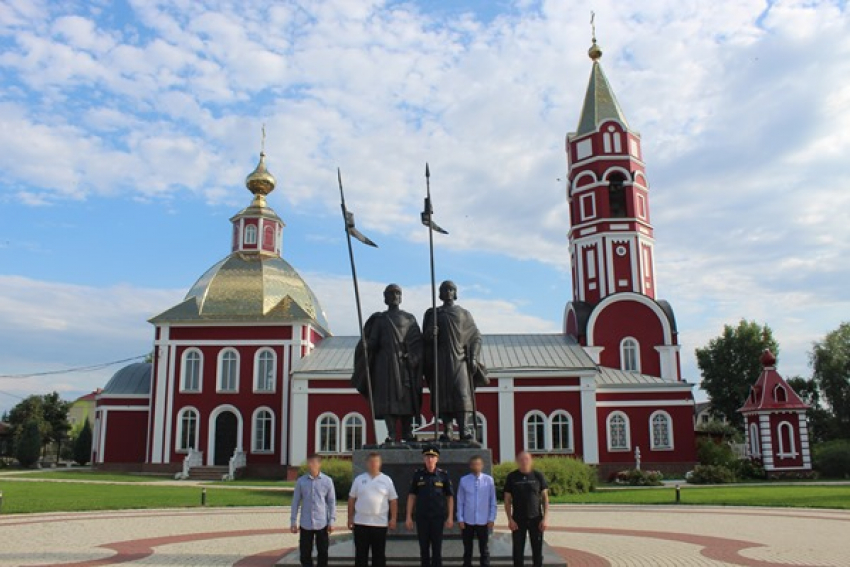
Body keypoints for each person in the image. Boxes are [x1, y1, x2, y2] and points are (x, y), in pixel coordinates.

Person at [352, 284, 423, 442]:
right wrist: (366, 345)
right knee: (388, 400)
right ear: (385, 298)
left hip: (404, 364)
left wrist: (413, 357)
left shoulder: (409, 319)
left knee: (406, 399)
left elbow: (418, 342)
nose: (394, 296)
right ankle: (391, 433)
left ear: (401, 297)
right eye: (390, 294)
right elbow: (374, 342)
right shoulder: (380, 319)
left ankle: (407, 432)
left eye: (397, 293)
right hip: (384, 365)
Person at [423, 280, 485, 442]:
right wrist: (431, 333)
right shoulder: (433, 314)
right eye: (444, 289)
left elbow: (475, 336)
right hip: (440, 361)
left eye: (451, 289)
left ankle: (464, 429)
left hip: (459, 360)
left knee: (461, 393)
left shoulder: (463, 314)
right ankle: (448, 429)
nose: (447, 292)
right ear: (440, 293)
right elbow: (424, 340)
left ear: (455, 293)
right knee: (442, 394)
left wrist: (473, 357)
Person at [405, 446, 454, 567]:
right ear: (424, 459)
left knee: (437, 549)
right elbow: (412, 496)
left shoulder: (443, 475)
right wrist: (408, 517)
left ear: (437, 459)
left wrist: (450, 517)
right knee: (424, 549)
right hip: (422, 518)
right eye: (427, 457)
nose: (430, 460)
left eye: (432, 457)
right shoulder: (418, 475)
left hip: (438, 518)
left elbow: (449, 497)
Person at [348, 452, 398, 567]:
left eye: (376, 462)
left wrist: (393, 518)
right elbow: (351, 499)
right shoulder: (359, 479)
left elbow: (393, 500)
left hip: (379, 524)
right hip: (361, 523)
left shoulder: (387, 480)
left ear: (380, 464)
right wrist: (350, 518)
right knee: (361, 556)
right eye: (371, 462)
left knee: (379, 556)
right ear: (366, 463)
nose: (373, 464)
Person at [503, 452, 549, 567]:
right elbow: (507, 500)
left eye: (527, 459)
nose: (524, 461)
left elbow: (545, 499)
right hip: (518, 520)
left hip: (536, 519)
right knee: (518, 552)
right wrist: (510, 519)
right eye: (521, 459)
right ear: (517, 462)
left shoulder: (538, 476)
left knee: (537, 551)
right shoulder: (512, 477)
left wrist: (545, 518)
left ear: (531, 461)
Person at [290, 454, 336, 567]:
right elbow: (295, 502)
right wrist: (293, 521)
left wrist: (332, 521)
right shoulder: (301, 481)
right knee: (305, 554)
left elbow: (331, 502)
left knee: (323, 553)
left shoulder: (327, 481)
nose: (311, 465)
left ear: (319, 464)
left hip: (322, 523)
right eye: (309, 463)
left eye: (314, 463)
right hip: (306, 523)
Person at [456, 455, 496, 567]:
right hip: (467, 521)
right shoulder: (464, 480)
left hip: (483, 521)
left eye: (478, 464)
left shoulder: (489, 480)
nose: (476, 466)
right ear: (470, 466)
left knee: (484, 549)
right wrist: (460, 518)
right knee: (467, 549)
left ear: (482, 465)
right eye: (473, 464)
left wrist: (492, 518)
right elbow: (460, 501)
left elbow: (492, 501)